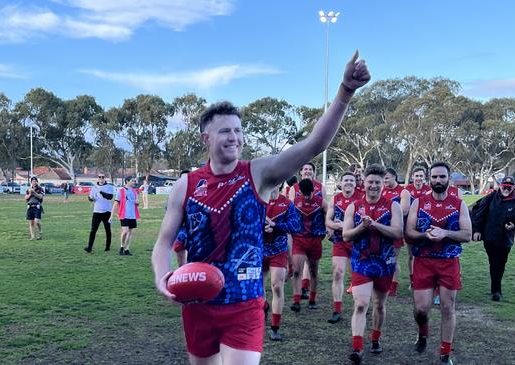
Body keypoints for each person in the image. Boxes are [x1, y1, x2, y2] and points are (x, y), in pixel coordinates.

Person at [151, 50, 370, 365]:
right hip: (198, 305)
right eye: (226, 130)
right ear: (205, 138)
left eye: (238, 130)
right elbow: (163, 242)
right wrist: (162, 276)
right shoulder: (185, 185)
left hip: (245, 306)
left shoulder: (258, 173)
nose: (234, 137)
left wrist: (345, 93)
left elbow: (313, 145)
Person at [405, 162, 472, 365]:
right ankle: (423, 333)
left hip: (448, 261)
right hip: (423, 261)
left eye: (442, 177)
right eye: (434, 177)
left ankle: (445, 354)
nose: (438, 180)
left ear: (448, 179)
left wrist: (446, 233)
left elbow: (467, 234)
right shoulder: (419, 202)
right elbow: (409, 232)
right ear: (429, 179)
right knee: (421, 310)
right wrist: (425, 235)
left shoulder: (458, 204)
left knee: (447, 307)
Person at [342, 164, 402, 364]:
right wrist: (362, 226)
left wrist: (375, 225)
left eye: (378, 182)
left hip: (384, 262)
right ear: (364, 182)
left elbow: (397, 233)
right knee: (361, 304)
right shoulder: (354, 206)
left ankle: (375, 338)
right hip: (362, 262)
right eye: (370, 182)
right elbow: (345, 235)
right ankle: (357, 348)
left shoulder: (393, 205)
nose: (374, 186)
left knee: (379, 305)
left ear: (383, 183)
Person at [471, 176, 515, 301]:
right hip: (490, 237)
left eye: (509, 188)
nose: (506, 189)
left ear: (513, 188)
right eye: (504, 187)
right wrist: (476, 230)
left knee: (501, 263)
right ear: (500, 186)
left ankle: (496, 288)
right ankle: (496, 291)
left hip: (506, 239)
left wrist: (514, 225)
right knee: (494, 262)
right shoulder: (491, 197)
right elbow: (479, 212)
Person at [263, 183, 303, 340]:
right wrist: (262, 227)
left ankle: (275, 327)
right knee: (258, 291)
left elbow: (296, 226)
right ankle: (264, 306)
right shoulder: (258, 201)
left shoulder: (287, 203)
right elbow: (245, 224)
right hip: (259, 250)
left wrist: (275, 226)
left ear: (280, 183)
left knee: (277, 286)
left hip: (278, 251)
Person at [325, 171, 362, 323]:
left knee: (357, 277)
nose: (348, 183)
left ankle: (359, 307)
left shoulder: (361, 198)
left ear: (355, 183)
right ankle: (337, 309)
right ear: (340, 183)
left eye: (351, 180)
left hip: (357, 241)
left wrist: (347, 227)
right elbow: (328, 220)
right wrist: (337, 227)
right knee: (338, 273)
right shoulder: (335, 198)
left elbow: (366, 221)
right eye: (346, 180)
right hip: (340, 241)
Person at [288, 162, 325, 299]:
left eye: (310, 169)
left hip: (315, 232)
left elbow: (325, 209)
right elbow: (291, 209)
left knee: (312, 266)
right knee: (298, 263)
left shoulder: (320, 187)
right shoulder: (294, 188)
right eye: (305, 169)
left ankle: (308, 291)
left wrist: (325, 227)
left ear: (313, 172)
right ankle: (300, 290)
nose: (308, 171)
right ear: (300, 172)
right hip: (299, 233)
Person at [382, 168, 411, 296]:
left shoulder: (403, 192)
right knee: (382, 258)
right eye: (383, 178)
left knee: (393, 259)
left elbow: (404, 210)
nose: (384, 180)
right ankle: (383, 282)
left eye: (387, 177)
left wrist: (384, 214)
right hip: (381, 230)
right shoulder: (381, 190)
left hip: (395, 230)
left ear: (394, 177)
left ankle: (393, 287)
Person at [405, 166, 431, 288]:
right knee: (411, 255)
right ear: (412, 177)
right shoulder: (407, 190)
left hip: (425, 227)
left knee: (425, 254)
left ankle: (426, 279)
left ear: (424, 177)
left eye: (421, 176)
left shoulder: (430, 190)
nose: (419, 178)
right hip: (410, 226)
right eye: (417, 176)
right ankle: (413, 281)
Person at [84, 173, 114, 253]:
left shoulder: (109, 187)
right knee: (93, 230)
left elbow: (110, 197)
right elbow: (91, 198)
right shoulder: (94, 188)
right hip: (97, 211)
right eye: (99, 177)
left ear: (105, 178)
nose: (101, 178)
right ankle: (89, 247)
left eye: (102, 177)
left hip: (107, 212)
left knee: (107, 230)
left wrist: (101, 192)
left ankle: (107, 247)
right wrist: (90, 198)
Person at [112, 176, 140, 256]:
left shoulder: (134, 191)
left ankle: (127, 249)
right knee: (125, 231)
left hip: (132, 215)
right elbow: (116, 203)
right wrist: (112, 215)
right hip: (124, 214)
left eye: (134, 181)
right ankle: (121, 247)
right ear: (127, 181)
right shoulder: (121, 191)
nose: (134, 182)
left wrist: (137, 203)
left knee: (130, 232)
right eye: (132, 181)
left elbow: (136, 202)